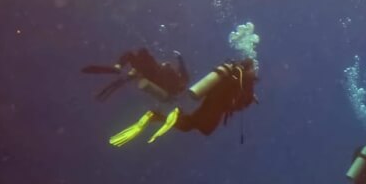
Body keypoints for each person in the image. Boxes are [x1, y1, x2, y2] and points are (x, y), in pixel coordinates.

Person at [109, 58, 258, 146]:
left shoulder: (231, 73)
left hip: (209, 101)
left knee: (191, 124)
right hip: (215, 107)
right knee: (203, 128)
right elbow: (237, 104)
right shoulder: (247, 79)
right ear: (250, 68)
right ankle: (170, 115)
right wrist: (250, 99)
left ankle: (161, 115)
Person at [82, 47, 189, 102]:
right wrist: (180, 59)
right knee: (137, 54)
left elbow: (182, 74)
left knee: (139, 52)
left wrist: (180, 59)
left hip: (153, 75)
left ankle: (118, 66)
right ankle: (119, 67)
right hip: (153, 75)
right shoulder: (177, 82)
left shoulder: (176, 81)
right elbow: (183, 73)